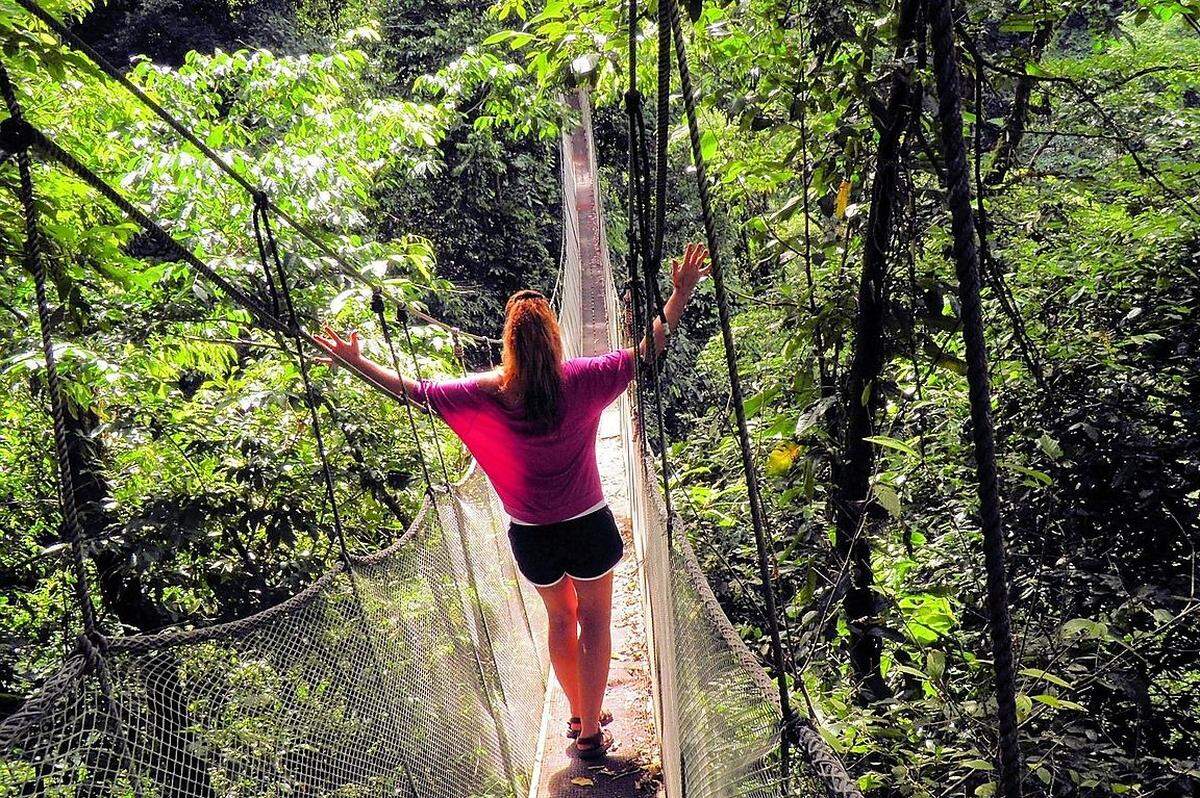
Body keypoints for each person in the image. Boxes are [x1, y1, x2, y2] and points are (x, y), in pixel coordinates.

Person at [314, 242, 710, 759]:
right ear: (554, 339)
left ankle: (576, 715)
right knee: (596, 622)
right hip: (589, 525)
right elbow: (648, 349)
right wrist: (679, 295)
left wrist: (358, 363)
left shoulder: (485, 391)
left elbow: (412, 390)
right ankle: (592, 727)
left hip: (531, 536)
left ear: (509, 346)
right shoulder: (585, 379)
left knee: (560, 620)